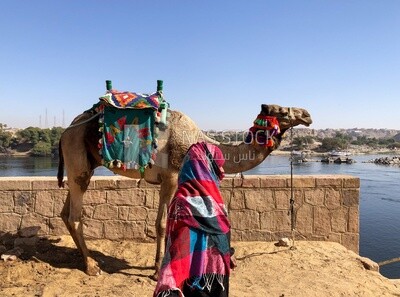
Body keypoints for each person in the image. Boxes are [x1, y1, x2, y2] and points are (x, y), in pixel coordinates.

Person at [154, 142, 234, 297]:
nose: (222, 171)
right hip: (195, 284)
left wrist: (227, 252)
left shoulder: (214, 202)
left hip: (218, 282)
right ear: (204, 166)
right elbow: (178, 253)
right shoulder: (183, 206)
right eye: (218, 165)